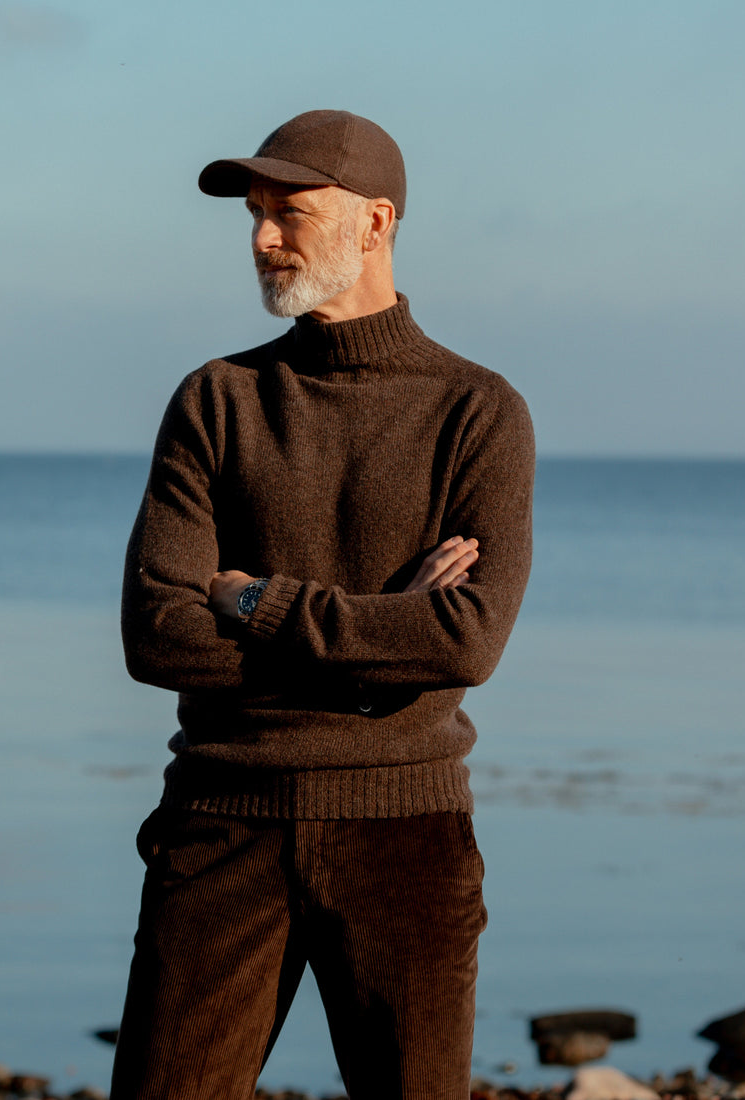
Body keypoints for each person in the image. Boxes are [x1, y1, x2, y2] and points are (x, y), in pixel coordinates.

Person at [110, 109, 534, 1100]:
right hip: (219, 821)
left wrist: (251, 599)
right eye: (253, 213)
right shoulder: (216, 399)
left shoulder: (477, 411)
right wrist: (382, 636)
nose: (260, 237)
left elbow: (465, 639)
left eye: (286, 212)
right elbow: (157, 633)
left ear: (374, 222)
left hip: (405, 833)